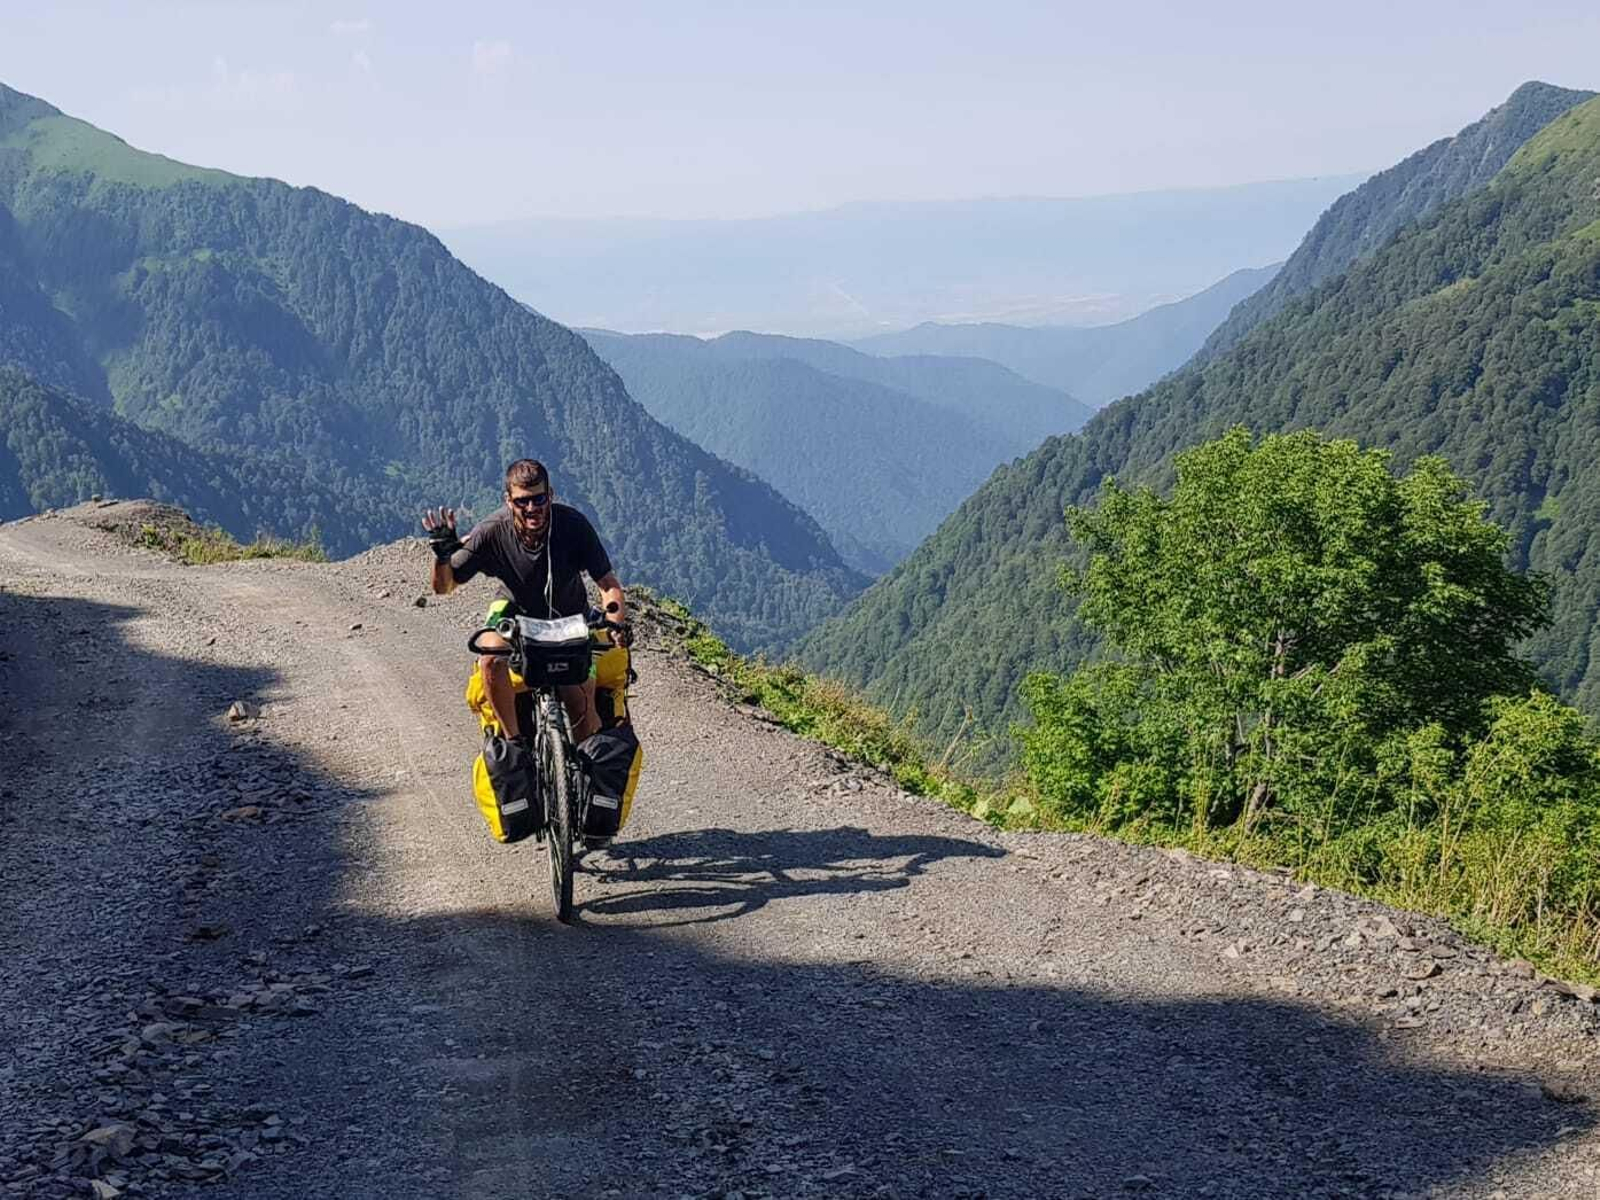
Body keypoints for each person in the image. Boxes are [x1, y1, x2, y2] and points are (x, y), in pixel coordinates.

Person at [423, 459, 628, 744]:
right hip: (514, 616)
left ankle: (582, 779)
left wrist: (615, 623)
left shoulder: (573, 526)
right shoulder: (491, 531)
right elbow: (444, 587)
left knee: (582, 707)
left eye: (538, 499)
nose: (532, 508)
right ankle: (514, 742)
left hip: (570, 620)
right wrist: (442, 558)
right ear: (508, 500)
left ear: (550, 495)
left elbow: (608, 585)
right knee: (491, 658)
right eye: (522, 501)